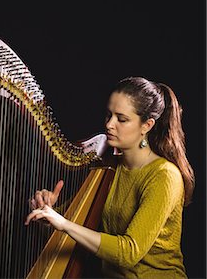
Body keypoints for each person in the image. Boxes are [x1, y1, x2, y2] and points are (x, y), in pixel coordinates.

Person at [25, 77, 195, 278]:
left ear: (147, 125)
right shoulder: (109, 168)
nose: (109, 124)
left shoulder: (164, 176)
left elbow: (129, 253)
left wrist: (63, 223)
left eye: (121, 119)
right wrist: (47, 212)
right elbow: (67, 231)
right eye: (109, 115)